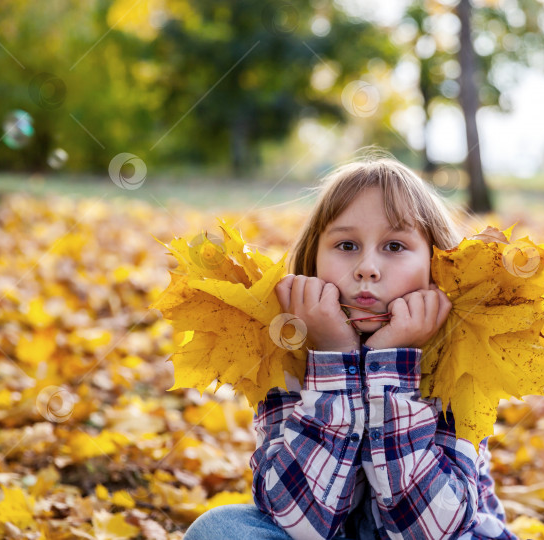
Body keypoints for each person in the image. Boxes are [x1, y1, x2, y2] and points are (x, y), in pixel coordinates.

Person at [184, 156, 518, 540]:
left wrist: (391, 367)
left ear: (436, 266)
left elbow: (432, 530)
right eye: (346, 245)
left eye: (394, 246)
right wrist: (332, 359)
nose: (367, 267)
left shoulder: (460, 358)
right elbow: (299, 521)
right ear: (313, 261)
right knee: (220, 529)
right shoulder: (284, 352)